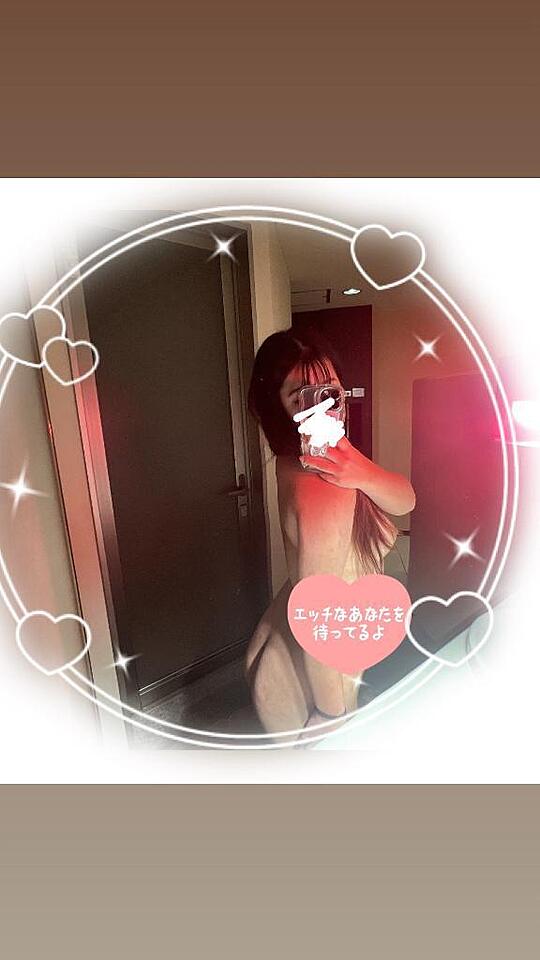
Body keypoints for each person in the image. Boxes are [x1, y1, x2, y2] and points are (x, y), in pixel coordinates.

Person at [245, 327, 416, 744]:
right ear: (277, 408)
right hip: (316, 673)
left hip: (301, 648)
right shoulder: (321, 483)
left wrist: (362, 472)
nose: (322, 405)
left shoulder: (316, 456)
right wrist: (330, 713)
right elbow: (317, 607)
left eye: (330, 390)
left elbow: (405, 500)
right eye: (301, 397)